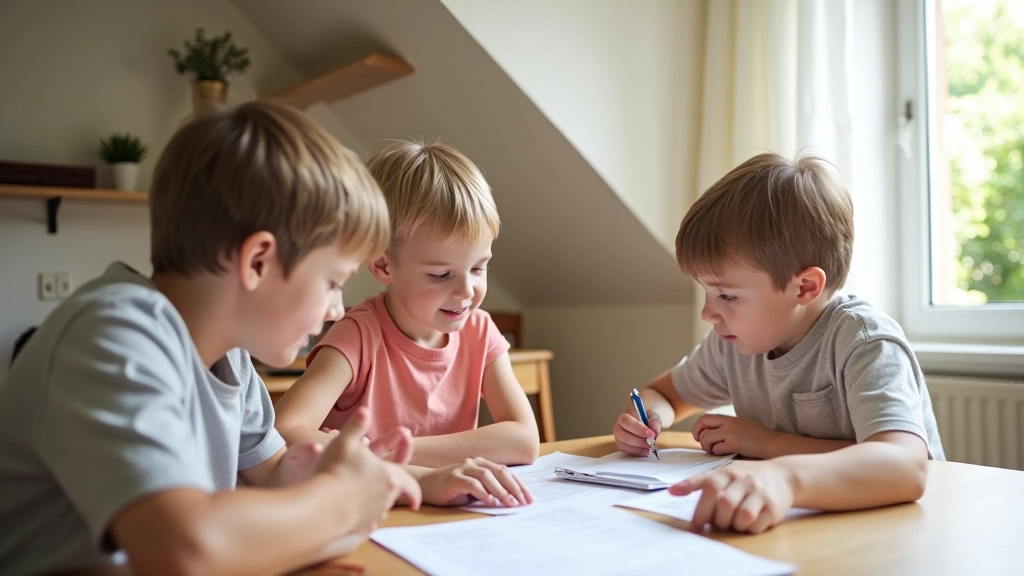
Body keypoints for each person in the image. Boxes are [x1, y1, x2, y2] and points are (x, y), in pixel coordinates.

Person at [0, 101, 421, 576]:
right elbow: (183, 550)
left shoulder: (231, 357)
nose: (336, 309)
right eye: (332, 282)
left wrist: (316, 473)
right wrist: (338, 503)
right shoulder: (115, 336)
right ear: (258, 262)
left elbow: (268, 475)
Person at [613, 152, 944, 534]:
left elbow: (905, 467)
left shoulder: (864, 342)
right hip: (804, 528)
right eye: (706, 291)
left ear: (804, 287)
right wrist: (647, 419)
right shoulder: (732, 343)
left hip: (898, 532)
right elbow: (664, 395)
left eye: (728, 295)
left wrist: (769, 448)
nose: (708, 313)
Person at [276, 141, 538, 510]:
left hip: (445, 511)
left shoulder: (480, 331)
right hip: (367, 512)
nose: (467, 290)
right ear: (384, 266)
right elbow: (286, 430)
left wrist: (393, 451)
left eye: (479, 268)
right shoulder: (357, 335)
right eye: (441, 274)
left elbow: (524, 439)